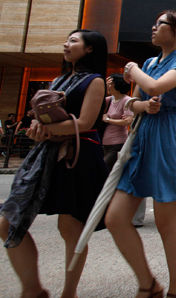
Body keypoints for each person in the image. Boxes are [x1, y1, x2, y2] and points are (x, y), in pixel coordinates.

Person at [0, 29, 109, 298]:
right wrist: (38, 128)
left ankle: (68, 293)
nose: (66, 44)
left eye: (73, 41)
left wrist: (49, 131)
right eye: (67, 39)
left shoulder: (95, 81)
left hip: (77, 156)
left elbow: (85, 123)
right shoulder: (59, 78)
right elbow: (48, 118)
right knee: (7, 223)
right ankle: (33, 288)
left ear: (90, 49)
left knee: (70, 228)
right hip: (46, 154)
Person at [105, 10, 176, 298]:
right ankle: (148, 282)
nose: (153, 28)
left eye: (160, 24)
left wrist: (132, 71)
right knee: (115, 219)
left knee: (165, 222)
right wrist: (142, 106)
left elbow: (155, 87)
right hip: (143, 136)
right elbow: (134, 102)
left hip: (169, 139)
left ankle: (174, 289)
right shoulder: (149, 62)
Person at [102, 73, 134, 171]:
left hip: (117, 143)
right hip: (105, 144)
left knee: (104, 170)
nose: (109, 86)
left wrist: (108, 120)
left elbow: (128, 121)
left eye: (111, 84)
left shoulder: (126, 100)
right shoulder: (110, 100)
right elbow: (97, 101)